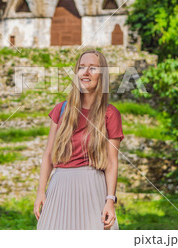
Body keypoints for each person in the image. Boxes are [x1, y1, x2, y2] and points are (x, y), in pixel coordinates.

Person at [34, 50, 124, 230]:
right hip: (59, 188)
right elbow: (48, 155)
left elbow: (112, 162)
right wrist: (40, 192)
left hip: (92, 188)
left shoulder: (110, 114)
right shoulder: (61, 110)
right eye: (81, 67)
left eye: (93, 68)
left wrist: (110, 201)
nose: (86, 72)